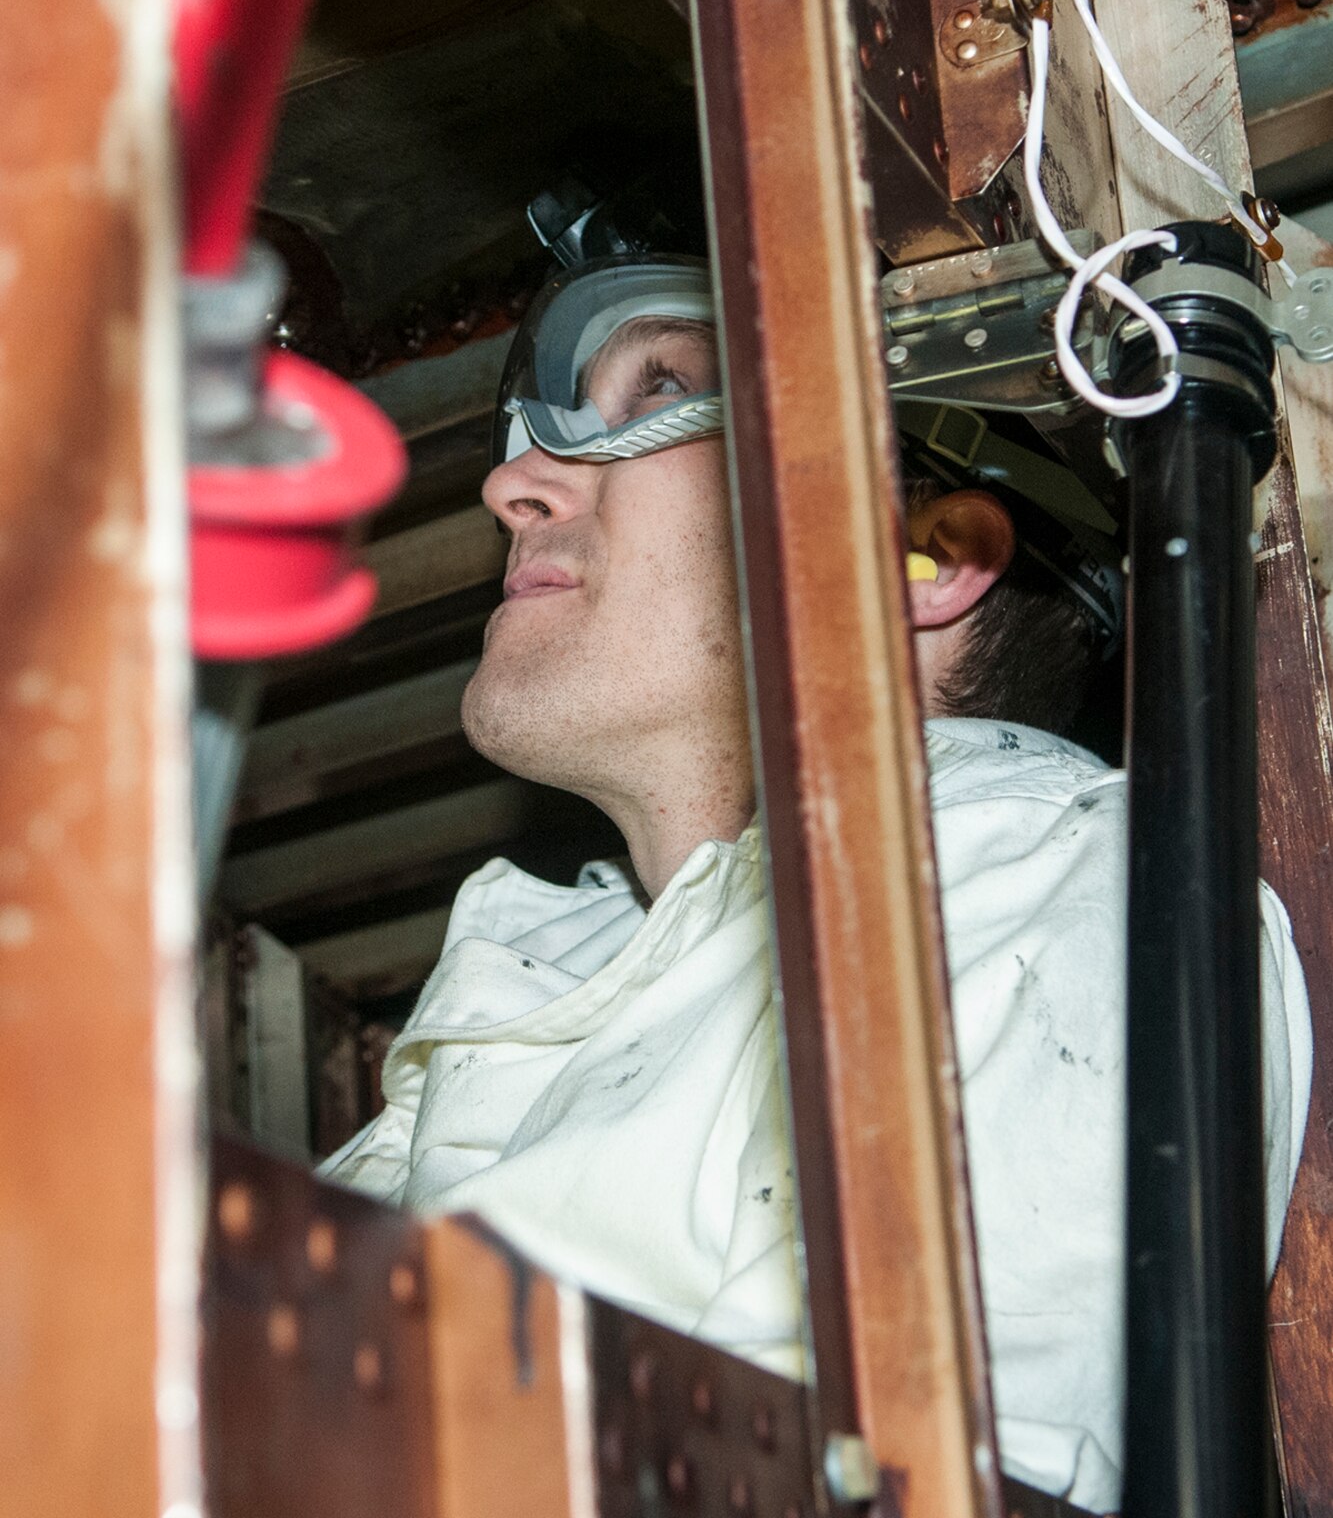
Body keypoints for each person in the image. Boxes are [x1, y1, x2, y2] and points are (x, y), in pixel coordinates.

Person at [324, 238, 1312, 1514]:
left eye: (666, 391)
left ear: (929, 558)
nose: (514, 481)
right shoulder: (540, 966)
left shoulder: (1056, 891)